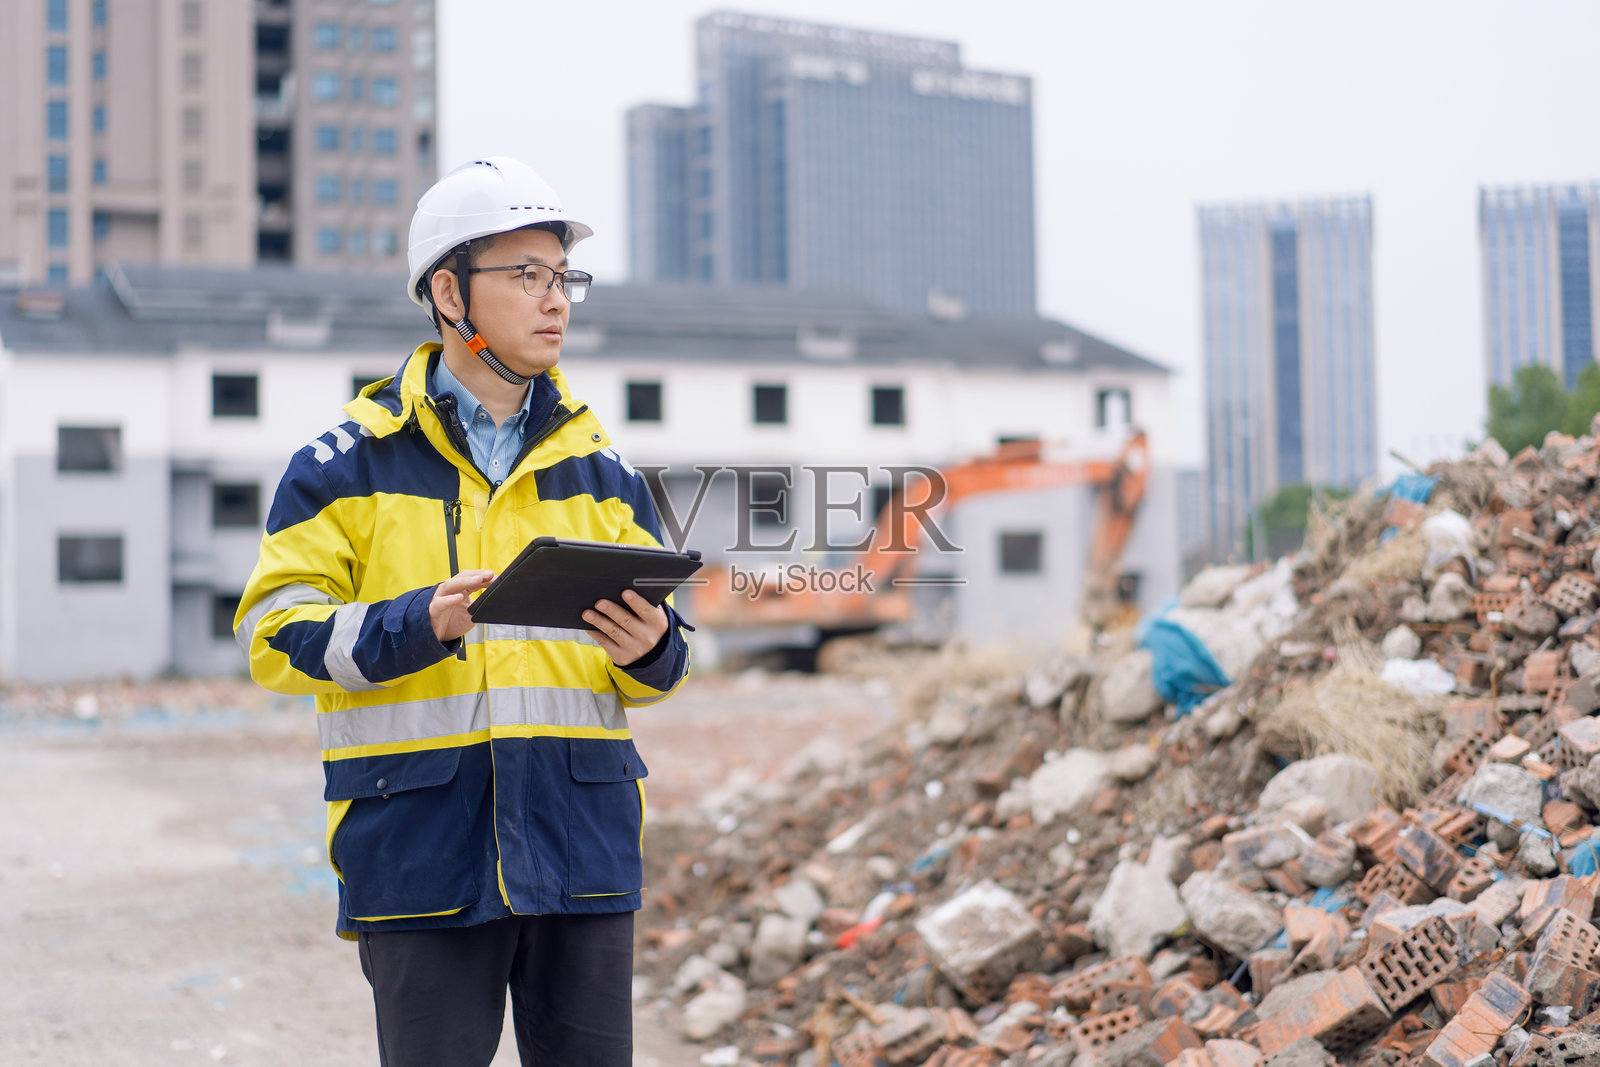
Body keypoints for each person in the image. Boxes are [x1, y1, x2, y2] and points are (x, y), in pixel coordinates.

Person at [234, 156, 691, 1066]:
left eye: (563, 278)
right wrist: (416, 622)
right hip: (420, 854)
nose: (554, 300)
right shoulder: (344, 466)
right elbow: (273, 633)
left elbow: (663, 663)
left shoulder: (602, 471)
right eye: (526, 276)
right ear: (449, 291)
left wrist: (654, 650)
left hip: (581, 853)